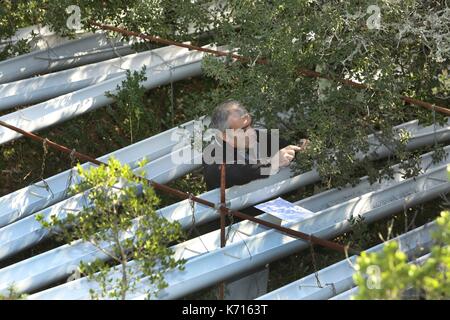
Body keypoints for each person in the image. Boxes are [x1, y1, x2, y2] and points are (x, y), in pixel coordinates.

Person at [202, 99, 309, 190]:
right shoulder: (212, 154)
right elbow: (235, 172)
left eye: (250, 125)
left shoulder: (259, 136)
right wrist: (272, 162)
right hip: (241, 213)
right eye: (243, 130)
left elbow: (288, 146)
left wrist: (300, 146)